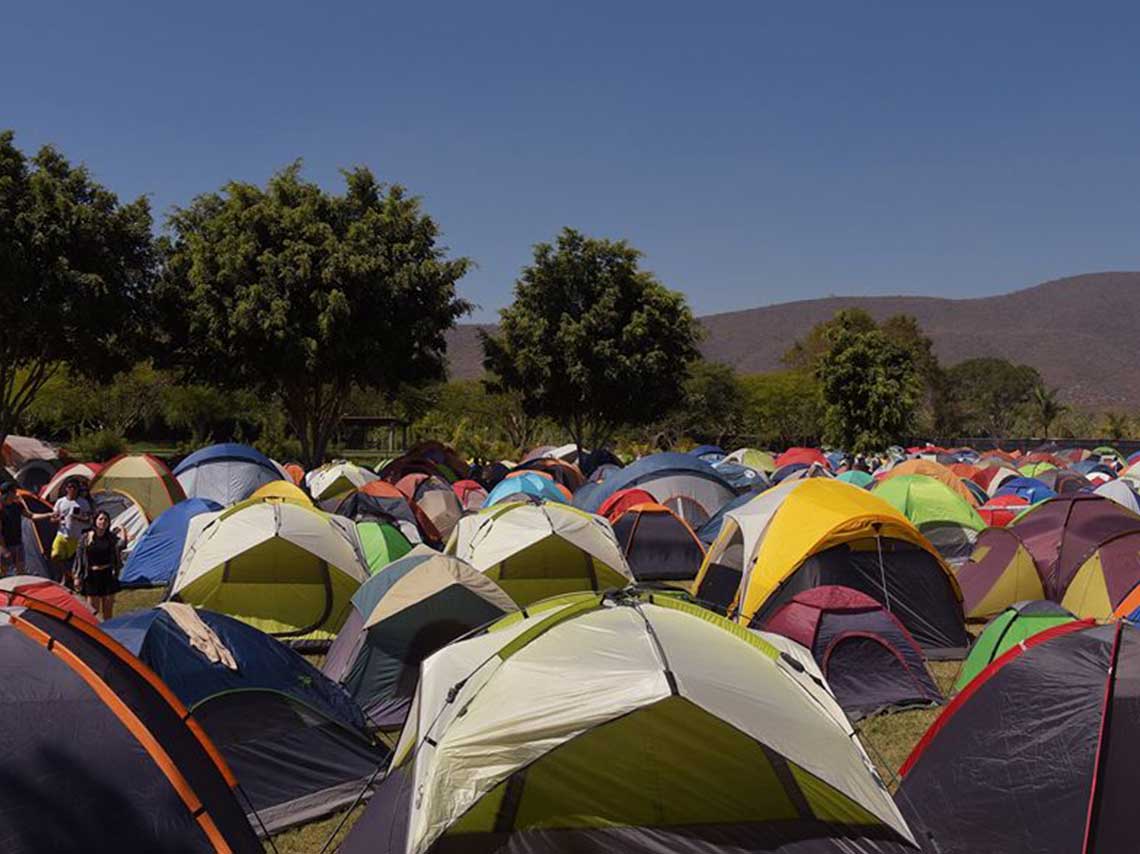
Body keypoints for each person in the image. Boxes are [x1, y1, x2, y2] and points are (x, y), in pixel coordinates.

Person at [31, 479, 91, 587]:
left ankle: (73, 579)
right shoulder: (60, 502)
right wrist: (57, 519)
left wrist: (78, 518)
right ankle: (66, 574)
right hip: (61, 534)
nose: (71, 489)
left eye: (74, 487)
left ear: (77, 489)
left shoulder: (83, 502)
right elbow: (52, 519)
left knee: (73, 560)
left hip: (76, 536)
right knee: (55, 556)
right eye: (69, 487)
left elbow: (88, 520)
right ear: (66, 489)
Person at [74, 509, 127, 620]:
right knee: (93, 611)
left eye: (106, 520)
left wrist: (123, 530)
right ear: (95, 521)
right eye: (100, 519)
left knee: (108, 610)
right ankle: (95, 633)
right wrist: (77, 576)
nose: (103, 522)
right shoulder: (86, 537)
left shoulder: (111, 538)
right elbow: (79, 557)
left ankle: (109, 632)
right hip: (91, 576)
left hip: (108, 575)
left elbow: (122, 545)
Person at [0, 483, 29, 576]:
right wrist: (3, 548)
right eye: (14, 491)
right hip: (6, 546)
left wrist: (49, 515)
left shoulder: (17, 505)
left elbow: (31, 515)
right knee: (8, 573)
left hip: (18, 543)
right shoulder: (1, 508)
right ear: (8, 493)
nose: (16, 493)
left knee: (21, 570)